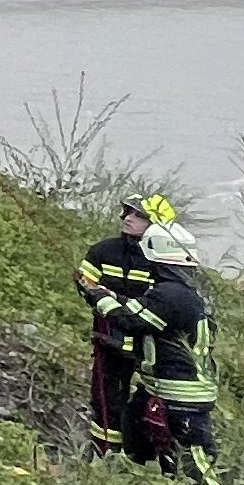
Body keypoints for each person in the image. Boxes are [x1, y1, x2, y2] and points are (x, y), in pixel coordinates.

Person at [130, 217, 222, 485]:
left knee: (194, 459)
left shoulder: (169, 294)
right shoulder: (187, 290)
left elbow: (133, 320)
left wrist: (99, 297)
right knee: (140, 432)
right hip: (175, 386)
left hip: (180, 390)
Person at [75, 194, 166, 460]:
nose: (128, 219)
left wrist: (121, 303)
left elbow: (163, 303)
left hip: (150, 347)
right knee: (105, 401)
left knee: (155, 403)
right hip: (109, 341)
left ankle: (150, 457)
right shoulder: (103, 251)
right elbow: (85, 284)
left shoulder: (161, 260)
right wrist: (92, 292)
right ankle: (106, 455)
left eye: (138, 215)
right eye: (127, 212)